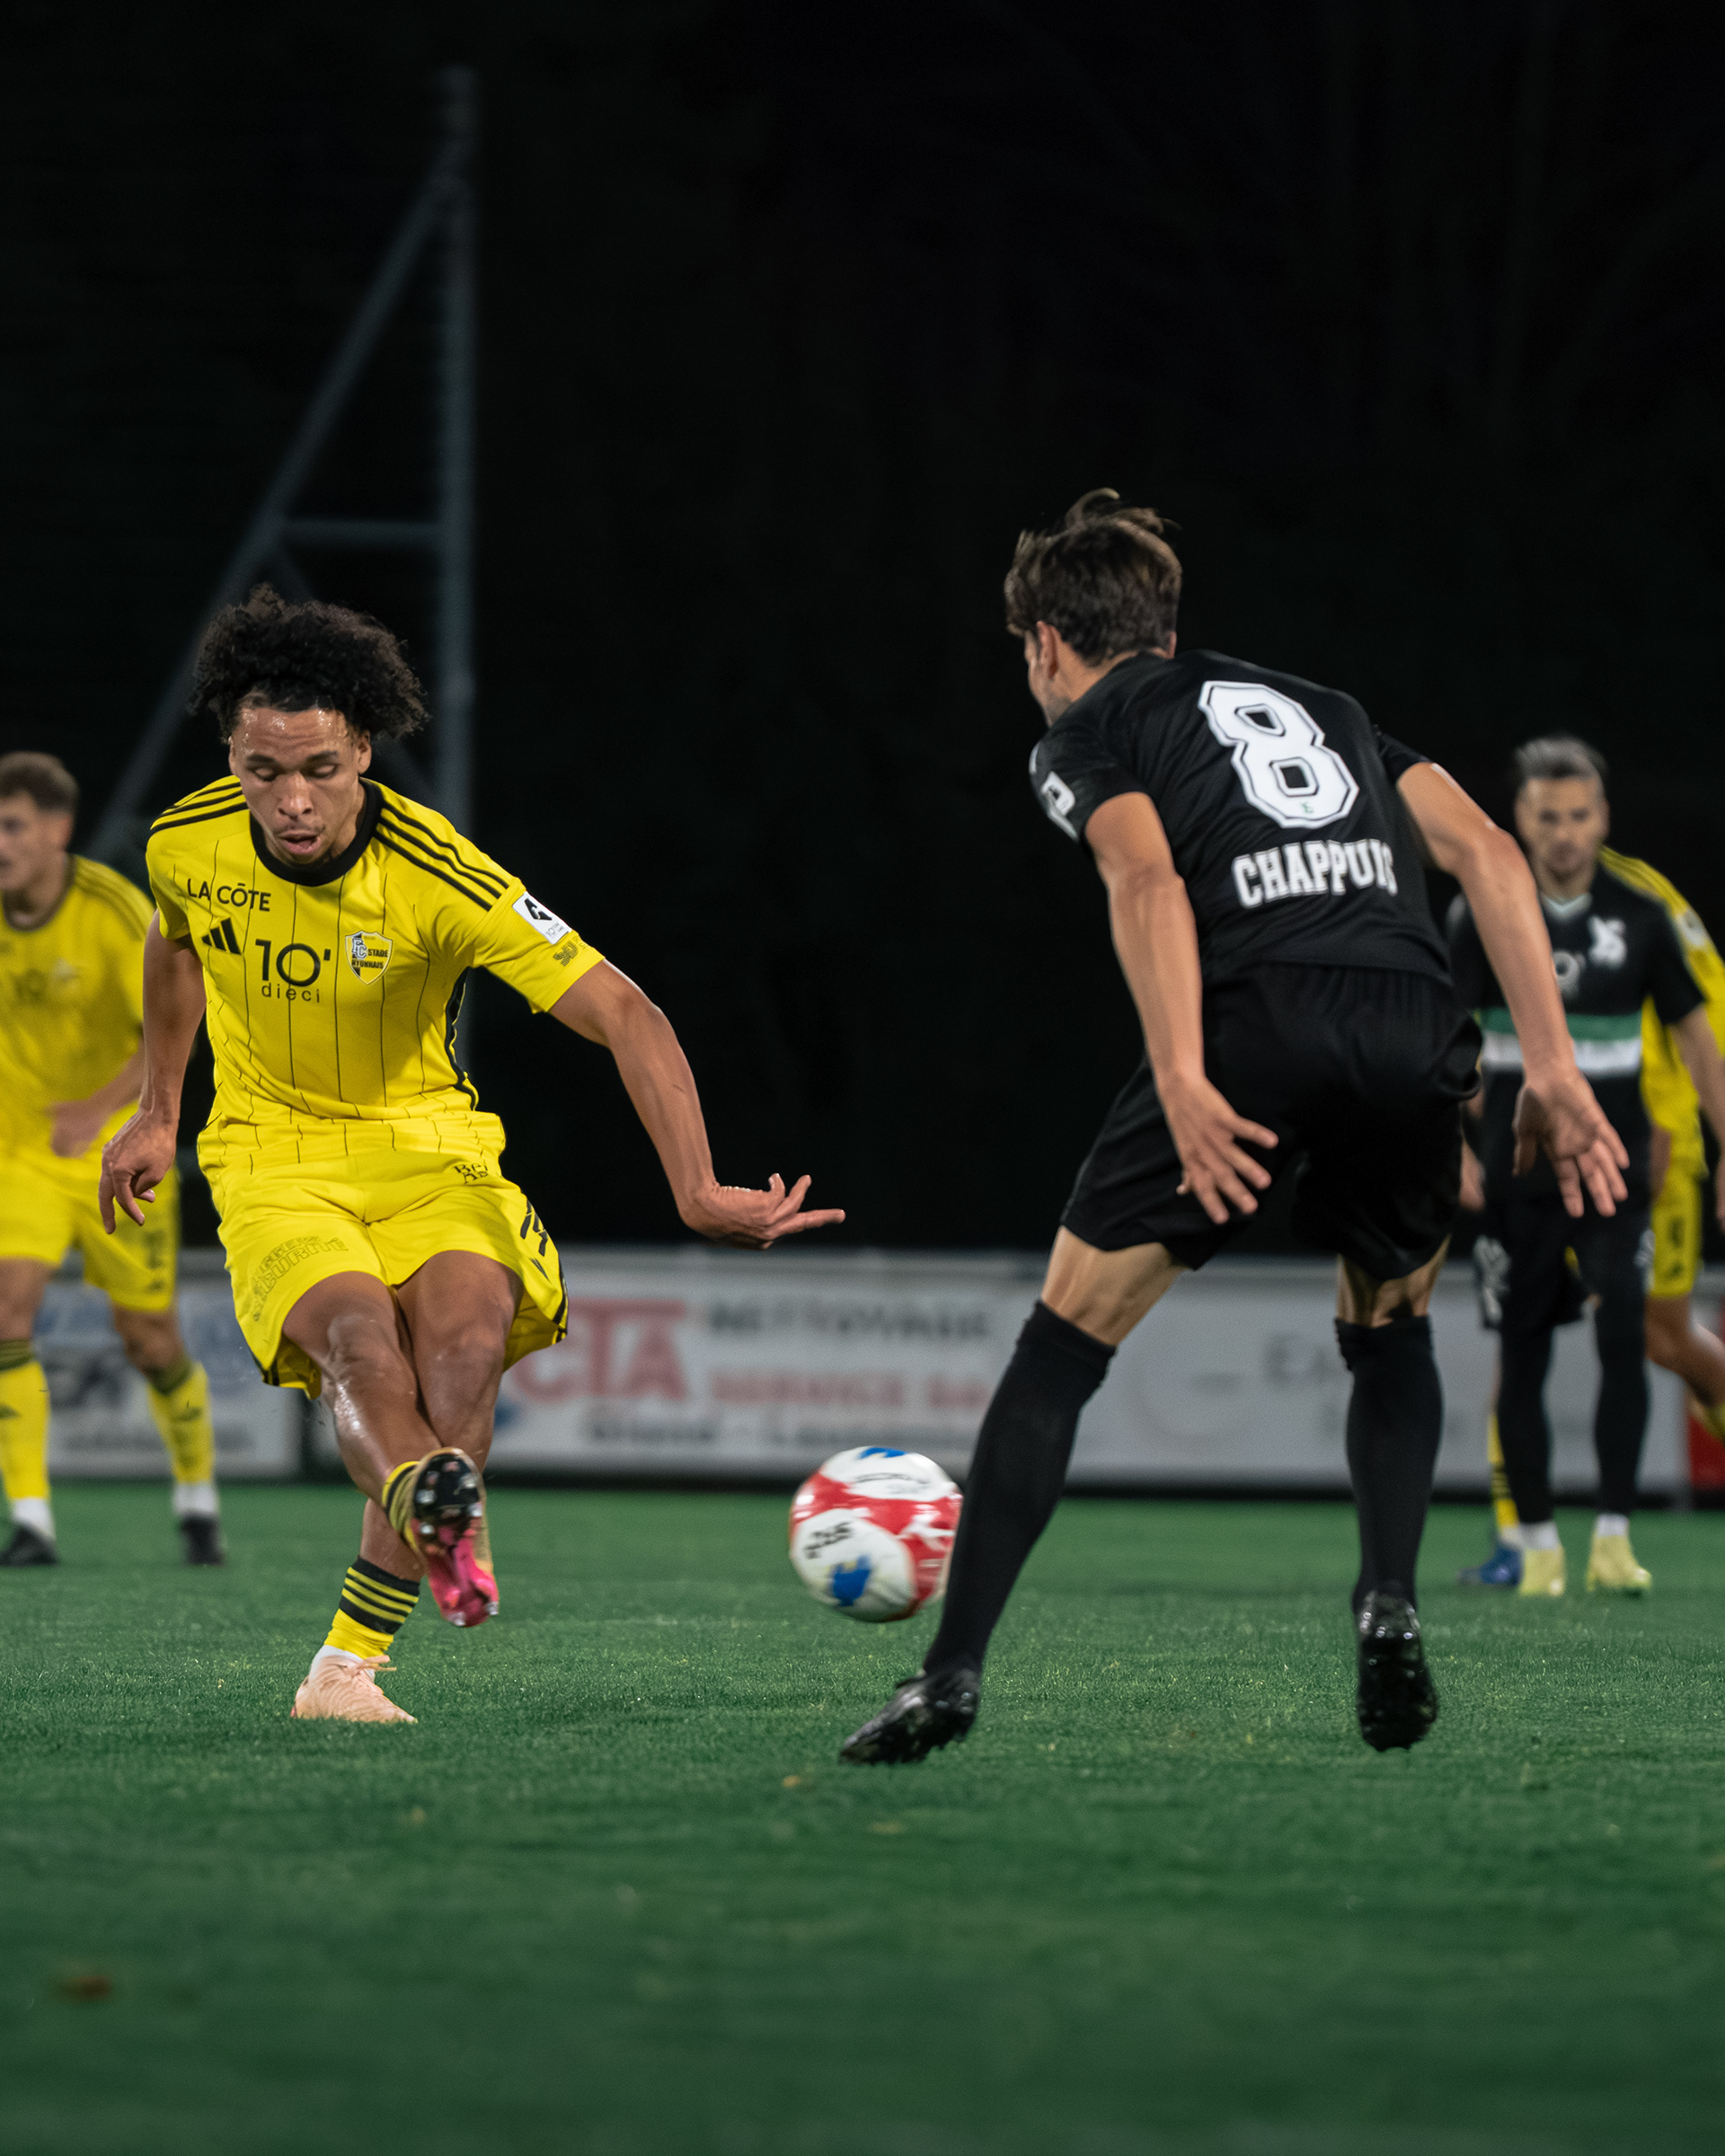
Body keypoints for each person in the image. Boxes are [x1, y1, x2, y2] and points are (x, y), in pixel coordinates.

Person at [841, 491, 1625, 1766]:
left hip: (1256, 1012)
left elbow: (1145, 875)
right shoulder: (1329, 707)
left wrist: (1183, 1076)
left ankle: (951, 1676)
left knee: (1061, 1346)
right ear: (1165, 624)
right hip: (1410, 1013)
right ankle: (1387, 1602)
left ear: (1047, 643)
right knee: (1392, 1325)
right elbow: (1489, 852)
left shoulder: (1088, 730)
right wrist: (1548, 1064)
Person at [101, 587, 841, 1724]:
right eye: (263, 771)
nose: (292, 801)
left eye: (320, 770)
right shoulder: (184, 842)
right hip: (273, 1156)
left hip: (429, 1147)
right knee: (359, 1345)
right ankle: (418, 1520)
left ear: (363, 750)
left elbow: (626, 1011)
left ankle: (348, 1659)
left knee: (464, 1346)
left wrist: (695, 1187)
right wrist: (160, 1111)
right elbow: (175, 943)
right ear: (231, 757)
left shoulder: (438, 873)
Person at [1450, 739, 1725, 1598]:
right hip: (1522, 1171)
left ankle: (1609, 1536)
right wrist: (1457, 1132)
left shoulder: (1643, 908)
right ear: (1520, 819)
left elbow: (1700, 1027)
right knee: (1520, 1346)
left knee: (1648, 1339)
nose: (1564, 833)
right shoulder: (1483, 906)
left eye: (1578, 815)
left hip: (1628, 1159)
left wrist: (1693, 1132)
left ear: (1602, 817)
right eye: (1547, 816)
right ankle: (1528, 1544)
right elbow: (1444, 1035)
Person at [0, 753, 224, 1568]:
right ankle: (31, 1520)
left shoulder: (115, 911)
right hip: (17, 1158)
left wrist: (99, 1111)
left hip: (115, 1157)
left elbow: (169, 1028)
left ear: (58, 830)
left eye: (12, 826)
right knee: (5, 1317)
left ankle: (197, 1498)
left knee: (149, 1341)